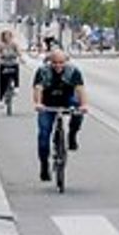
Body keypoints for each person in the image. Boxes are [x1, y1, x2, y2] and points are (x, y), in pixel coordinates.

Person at [30, 46, 85, 180]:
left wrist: (84, 105)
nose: (58, 66)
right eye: (55, 63)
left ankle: (72, 135)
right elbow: (38, 88)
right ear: (50, 61)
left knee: (78, 112)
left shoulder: (73, 71)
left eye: (61, 63)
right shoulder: (43, 71)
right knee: (43, 134)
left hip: (67, 100)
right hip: (47, 103)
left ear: (66, 61)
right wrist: (38, 103)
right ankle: (44, 165)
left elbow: (80, 89)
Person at [0, 29, 23, 104]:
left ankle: (16, 87)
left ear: (11, 36)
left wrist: (21, 58)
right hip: (4, 63)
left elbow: (19, 52)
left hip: (13, 63)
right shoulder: (0, 45)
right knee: (2, 82)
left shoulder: (14, 44)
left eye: (8, 36)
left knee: (16, 73)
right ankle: (1, 99)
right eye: (5, 36)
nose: (7, 37)